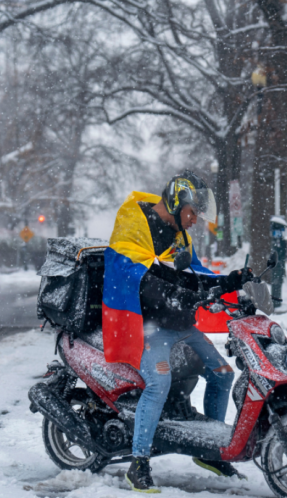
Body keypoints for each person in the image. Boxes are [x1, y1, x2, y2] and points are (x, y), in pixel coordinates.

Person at [101, 171, 250, 493]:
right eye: (192, 212)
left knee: (223, 373)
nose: (195, 220)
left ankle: (211, 451)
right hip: (149, 327)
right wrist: (175, 295)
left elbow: (192, 275)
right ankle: (138, 463)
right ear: (176, 202)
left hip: (180, 324)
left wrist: (229, 282)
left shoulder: (179, 234)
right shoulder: (134, 226)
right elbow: (132, 277)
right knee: (158, 382)